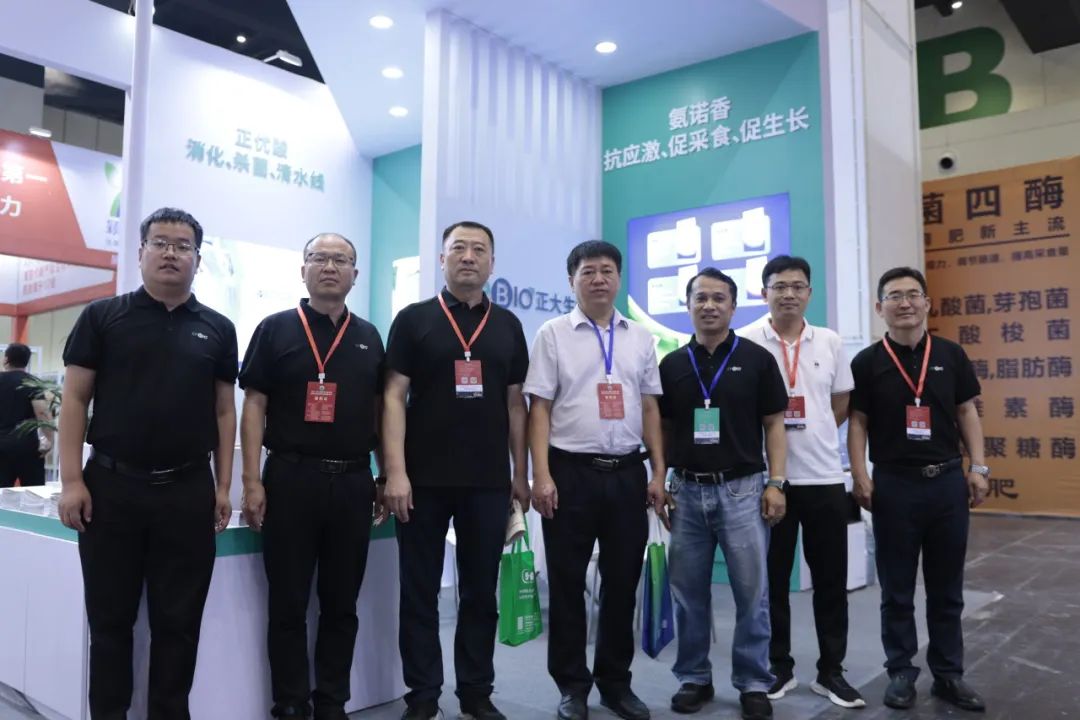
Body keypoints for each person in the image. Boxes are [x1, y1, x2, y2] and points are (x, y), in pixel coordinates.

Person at [57, 207, 237, 720]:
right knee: (110, 623)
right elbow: (75, 399)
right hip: (111, 488)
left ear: (198, 258)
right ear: (140, 253)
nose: (170, 253)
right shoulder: (103, 317)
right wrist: (72, 480)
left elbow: (225, 411)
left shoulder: (218, 328)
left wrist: (222, 487)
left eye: (182, 246)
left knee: (179, 623)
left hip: (187, 491)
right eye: (160, 243)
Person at [383, 221, 530, 720]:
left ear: (492, 263)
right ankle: (423, 695)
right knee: (419, 593)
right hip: (421, 481)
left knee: (480, 593)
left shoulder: (508, 325)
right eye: (459, 248)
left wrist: (520, 473)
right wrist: (395, 472)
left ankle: (476, 692)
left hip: (487, 483)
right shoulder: (414, 319)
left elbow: (516, 404)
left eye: (479, 249)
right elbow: (393, 396)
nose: (469, 256)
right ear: (442, 258)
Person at [239, 233, 387, 720]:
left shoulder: (369, 337)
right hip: (290, 478)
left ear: (354, 275)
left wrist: (385, 474)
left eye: (340, 260)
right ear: (302, 269)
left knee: (342, 603)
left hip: (353, 482)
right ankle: (290, 702)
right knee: (288, 602)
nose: (329, 266)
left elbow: (381, 413)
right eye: (319, 258)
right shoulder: (275, 328)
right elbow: (253, 405)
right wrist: (252, 482)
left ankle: (331, 702)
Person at [526, 240, 666, 720]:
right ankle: (572, 686)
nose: (598, 279)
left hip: (627, 474)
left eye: (607, 270)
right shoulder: (552, 334)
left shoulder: (640, 337)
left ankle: (615, 683)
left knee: (622, 584)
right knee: (567, 586)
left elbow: (650, 407)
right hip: (570, 474)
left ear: (619, 278)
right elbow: (539, 408)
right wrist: (541, 474)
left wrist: (658, 471)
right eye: (588, 271)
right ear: (572, 281)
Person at [848, 266, 988, 713]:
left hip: (946, 483)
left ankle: (948, 674)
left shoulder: (950, 354)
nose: (904, 302)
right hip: (894, 486)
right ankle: (901, 673)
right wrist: (860, 475)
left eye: (912, 294)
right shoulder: (866, 363)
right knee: (897, 589)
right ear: (879, 307)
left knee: (947, 588)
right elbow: (858, 423)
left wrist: (978, 467)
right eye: (894, 295)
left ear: (927, 303)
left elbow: (966, 411)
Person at [658, 267, 787, 720]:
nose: (709, 306)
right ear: (688, 305)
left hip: (743, 491)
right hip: (687, 492)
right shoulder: (672, 365)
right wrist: (661, 479)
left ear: (733, 307)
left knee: (752, 593)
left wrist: (777, 483)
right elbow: (664, 428)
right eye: (701, 298)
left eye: (719, 298)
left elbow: (774, 424)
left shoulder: (757, 359)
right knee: (688, 593)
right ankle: (694, 677)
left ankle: (753, 681)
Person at [750, 256, 865, 709]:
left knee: (831, 582)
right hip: (768, 481)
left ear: (809, 293)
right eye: (779, 286)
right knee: (771, 582)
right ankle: (778, 667)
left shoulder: (830, 342)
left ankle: (831, 671)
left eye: (798, 286)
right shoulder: (748, 341)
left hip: (823, 478)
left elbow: (841, 402)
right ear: (765, 293)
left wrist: (811, 431)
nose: (789, 294)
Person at [0, 343, 53, 487]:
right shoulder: (33, 383)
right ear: (27, 361)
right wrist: (49, 440)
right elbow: (42, 412)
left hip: (1, 447)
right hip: (27, 446)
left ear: (6, 359)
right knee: (33, 492)